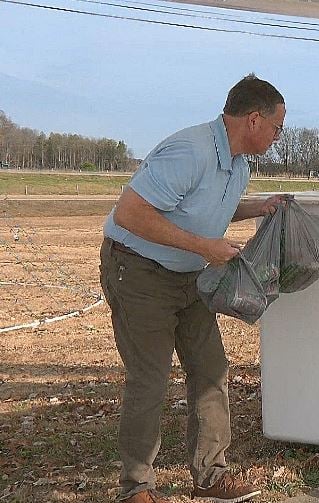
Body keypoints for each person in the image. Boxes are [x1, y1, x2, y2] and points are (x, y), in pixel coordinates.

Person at [100, 74, 287, 503]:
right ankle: (135, 489)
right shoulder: (191, 150)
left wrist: (258, 207)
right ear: (254, 119)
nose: (279, 136)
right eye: (278, 127)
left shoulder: (239, 163)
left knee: (210, 370)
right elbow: (130, 213)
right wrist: (205, 247)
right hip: (140, 272)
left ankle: (210, 477)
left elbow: (207, 207)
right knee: (150, 378)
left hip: (189, 278)